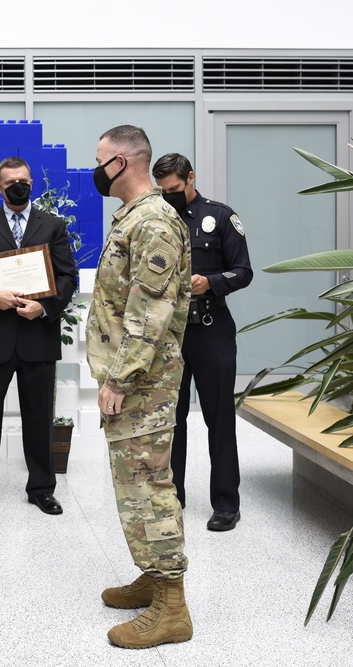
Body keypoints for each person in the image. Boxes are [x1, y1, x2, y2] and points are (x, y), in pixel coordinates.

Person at [86, 126, 193, 648]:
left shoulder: (153, 220)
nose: (95, 168)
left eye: (100, 160)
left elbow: (150, 311)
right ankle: (154, 578)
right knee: (135, 486)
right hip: (135, 380)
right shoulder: (133, 216)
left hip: (143, 383)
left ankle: (172, 607)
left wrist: (121, 379)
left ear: (123, 162)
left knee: (148, 487)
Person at [0, 156, 77, 518]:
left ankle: (41, 489)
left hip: (37, 335)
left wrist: (44, 308)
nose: (17, 186)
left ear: (31, 183)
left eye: (22, 180)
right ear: (0, 187)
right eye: (10, 182)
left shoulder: (53, 226)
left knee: (39, 418)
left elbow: (68, 277)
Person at [152, 153, 253, 532]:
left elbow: (244, 271)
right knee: (171, 420)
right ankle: (171, 497)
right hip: (170, 334)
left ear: (190, 179)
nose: (169, 197)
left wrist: (210, 281)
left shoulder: (221, 217)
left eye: (175, 189)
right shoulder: (157, 219)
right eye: (163, 191)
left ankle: (226, 503)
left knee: (219, 418)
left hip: (211, 327)